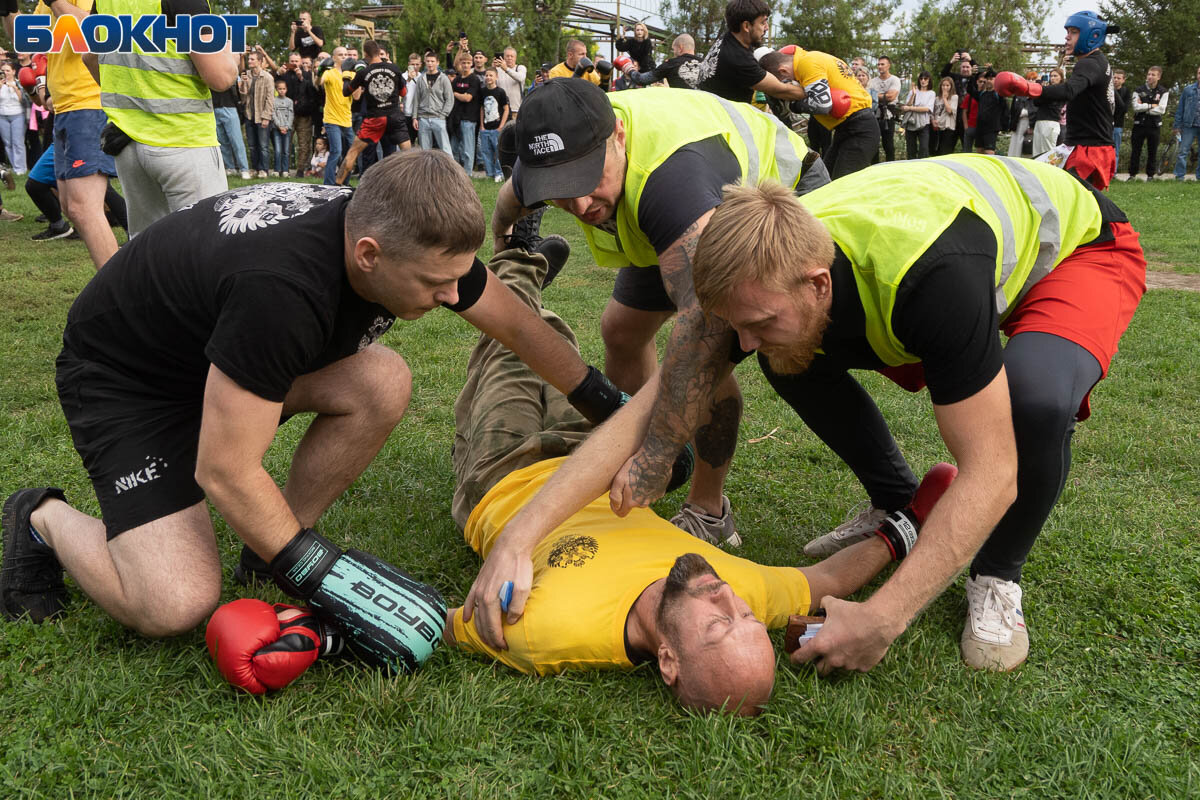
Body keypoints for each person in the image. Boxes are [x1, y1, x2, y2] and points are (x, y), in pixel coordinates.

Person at [0, 151, 616, 656]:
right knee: (174, 603)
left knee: (381, 382)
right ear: (368, 254)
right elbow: (223, 469)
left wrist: (607, 408)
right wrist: (320, 572)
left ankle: (266, 555)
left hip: (212, 355)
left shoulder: (390, 233)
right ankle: (41, 518)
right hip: (128, 381)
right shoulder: (284, 292)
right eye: (436, 285)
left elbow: (518, 325)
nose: (453, 295)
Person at [687, 155, 1145, 673]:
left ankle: (997, 575)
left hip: (1076, 249)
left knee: (1035, 398)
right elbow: (664, 397)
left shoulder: (933, 279)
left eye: (757, 320)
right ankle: (898, 503)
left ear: (817, 283)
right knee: (786, 349)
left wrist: (883, 618)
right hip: (956, 259)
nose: (742, 343)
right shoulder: (767, 263)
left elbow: (992, 473)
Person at [488, 80, 829, 571]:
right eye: (560, 193)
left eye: (588, 178)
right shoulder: (548, 157)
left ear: (618, 136)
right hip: (659, 218)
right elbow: (510, 198)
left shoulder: (671, 184)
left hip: (780, 203)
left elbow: (704, 341)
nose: (581, 205)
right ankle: (627, 437)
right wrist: (501, 236)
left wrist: (655, 454)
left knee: (706, 352)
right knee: (621, 332)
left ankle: (710, 511)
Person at [33, 0, 120, 269]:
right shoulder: (42, 5)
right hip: (64, 108)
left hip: (88, 102)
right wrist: (8, 12)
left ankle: (121, 293)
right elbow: (31, 40)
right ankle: (118, 289)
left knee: (84, 207)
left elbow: (99, 30)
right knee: (73, 208)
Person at [995, 12, 1120, 189]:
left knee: (1074, 202)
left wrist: (1029, 88)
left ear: (1092, 35)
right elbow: (1118, 104)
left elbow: (1068, 90)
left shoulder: (1089, 63)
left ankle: (1114, 218)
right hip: (1085, 146)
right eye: (1068, 31)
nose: (1067, 37)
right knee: (1038, 180)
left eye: (1074, 32)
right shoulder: (1101, 63)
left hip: (1089, 150)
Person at [758, 47, 878, 178]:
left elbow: (822, 104)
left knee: (843, 184)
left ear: (783, 70)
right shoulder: (812, 58)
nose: (790, 83)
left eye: (784, 80)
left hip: (859, 128)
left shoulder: (807, 63)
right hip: (848, 128)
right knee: (824, 180)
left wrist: (793, 104)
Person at [695, 0, 806, 106]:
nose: (767, 27)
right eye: (763, 22)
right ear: (746, 26)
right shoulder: (738, 59)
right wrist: (812, 90)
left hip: (707, 109)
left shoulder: (729, 35)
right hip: (722, 121)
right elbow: (780, 90)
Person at [334, 39, 410, 186]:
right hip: (395, 117)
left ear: (366, 54)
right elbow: (404, 92)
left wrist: (345, 74)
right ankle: (416, 189)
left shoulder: (364, 72)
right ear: (378, 52)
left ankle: (336, 187)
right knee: (409, 155)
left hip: (374, 119)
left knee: (353, 153)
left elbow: (346, 92)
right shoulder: (394, 68)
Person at [318, 46, 355, 184]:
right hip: (331, 118)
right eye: (340, 54)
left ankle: (344, 182)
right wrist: (319, 72)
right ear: (334, 58)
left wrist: (358, 82)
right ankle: (328, 184)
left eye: (346, 54)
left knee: (350, 154)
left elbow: (356, 97)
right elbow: (319, 83)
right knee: (336, 152)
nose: (344, 57)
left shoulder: (351, 75)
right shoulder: (330, 73)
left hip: (347, 119)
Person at [279, 52, 317, 178]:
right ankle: (284, 168)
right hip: (287, 114)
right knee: (286, 142)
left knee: (304, 143)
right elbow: (276, 86)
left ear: (301, 62)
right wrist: (279, 73)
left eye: (297, 61)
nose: (294, 63)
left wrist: (301, 78)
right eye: (292, 61)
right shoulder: (284, 75)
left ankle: (301, 169)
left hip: (304, 114)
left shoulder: (307, 74)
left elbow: (312, 92)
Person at [239, 50, 275, 179]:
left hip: (262, 116)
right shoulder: (246, 75)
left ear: (259, 61)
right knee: (252, 145)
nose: (249, 61)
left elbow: (270, 99)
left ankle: (263, 170)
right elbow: (243, 97)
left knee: (263, 146)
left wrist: (266, 117)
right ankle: (254, 168)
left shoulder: (267, 77)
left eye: (252, 59)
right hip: (249, 115)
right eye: (249, 59)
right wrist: (243, 83)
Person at [1128, 66, 1168, 181]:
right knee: (1135, 150)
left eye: (1153, 75)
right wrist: (1151, 105)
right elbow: (1135, 107)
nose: (1150, 77)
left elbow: (1162, 109)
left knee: (1152, 151)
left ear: (1158, 77)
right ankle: (1132, 175)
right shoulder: (1138, 90)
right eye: (1149, 74)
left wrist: (1144, 107)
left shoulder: (1163, 91)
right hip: (1139, 124)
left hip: (1154, 125)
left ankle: (1150, 175)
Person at [411, 50, 454, 156]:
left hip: (438, 117)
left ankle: (451, 171)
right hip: (423, 118)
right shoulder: (421, 79)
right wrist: (415, 117)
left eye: (432, 61)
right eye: (428, 61)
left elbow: (449, 99)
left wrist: (443, 115)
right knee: (425, 151)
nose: (430, 63)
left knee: (445, 149)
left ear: (437, 62)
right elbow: (416, 99)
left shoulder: (443, 79)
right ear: (425, 62)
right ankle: (426, 172)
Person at [621, 34, 701, 90]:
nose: (674, 53)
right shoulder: (706, 64)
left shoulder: (671, 64)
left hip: (682, 109)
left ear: (680, 48)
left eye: (674, 49)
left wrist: (628, 68)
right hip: (706, 111)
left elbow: (641, 79)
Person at [449, 53, 482, 172]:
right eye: (463, 63)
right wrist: (458, 95)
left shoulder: (474, 79)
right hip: (456, 118)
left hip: (469, 118)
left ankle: (468, 173)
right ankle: (455, 172)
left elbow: (468, 98)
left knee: (468, 150)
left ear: (471, 64)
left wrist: (455, 94)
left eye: (468, 63)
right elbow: (449, 94)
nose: (466, 65)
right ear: (460, 64)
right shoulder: (457, 79)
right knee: (454, 148)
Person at [212, 85, 251, 180]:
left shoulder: (229, 73)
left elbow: (237, 92)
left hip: (230, 107)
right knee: (222, 142)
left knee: (237, 141)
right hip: (214, 108)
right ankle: (230, 167)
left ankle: (244, 169)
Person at [478, 67, 509, 183]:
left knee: (497, 151)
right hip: (485, 127)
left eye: (491, 75)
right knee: (485, 151)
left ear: (496, 77)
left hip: (497, 128)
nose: (488, 77)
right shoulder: (482, 91)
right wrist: (481, 125)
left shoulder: (500, 92)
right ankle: (489, 173)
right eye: (486, 75)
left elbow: (506, 109)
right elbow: (481, 108)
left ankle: (499, 173)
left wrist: (501, 126)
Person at [868, 56, 901, 162]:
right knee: (874, 143)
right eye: (878, 64)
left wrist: (875, 95)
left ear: (888, 66)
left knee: (888, 144)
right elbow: (868, 96)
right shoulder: (872, 81)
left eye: (882, 64)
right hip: (874, 114)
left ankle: (890, 167)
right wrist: (883, 96)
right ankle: (874, 168)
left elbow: (891, 97)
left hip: (889, 115)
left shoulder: (894, 79)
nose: (880, 66)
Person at [1172, 65, 1200, 181]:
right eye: (1199, 73)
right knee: (1183, 151)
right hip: (1189, 125)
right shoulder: (1188, 89)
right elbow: (1180, 108)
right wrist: (1177, 126)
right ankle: (1179, 176)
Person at [966, 70, 1003, 156]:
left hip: (991, 129)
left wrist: (990, 68)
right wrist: (973, 76)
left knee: (989, 153)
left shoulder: (998, 94)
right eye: (987, 79)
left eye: (991, 79)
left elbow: (1005, 108)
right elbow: (970, 90)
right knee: (979, 152)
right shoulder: (982, 94)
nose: (988, 81)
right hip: (980, 128)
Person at [900, 71, 935, 159]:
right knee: (911, 149)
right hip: (911, 122)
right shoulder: (913, 91)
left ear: (929, 80)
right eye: (921, 79)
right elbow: (908, 104)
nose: (923, 81)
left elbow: (927, 109)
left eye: (925, 79)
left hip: (924, 123)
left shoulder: (931, 93)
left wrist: (911, 108)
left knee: (924, 148)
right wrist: (913, 94)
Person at [1031, 69, 1065, 157]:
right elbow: (1036, 102)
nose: (1052, 78)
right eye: (1051, 76)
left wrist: (1040, 85)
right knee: (1037, 152)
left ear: (1061, 78)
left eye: (1055, 76)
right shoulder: (1048, 89)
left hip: (1050, 122)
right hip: (1040, 121)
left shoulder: (1061, 90)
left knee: (1047, 153)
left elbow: (1044, 98)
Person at [0, 61, 26, 173]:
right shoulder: (1, 84)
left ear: (14, 72)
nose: (5, 73)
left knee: (18, 142)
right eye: (3, 71)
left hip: (17, 115)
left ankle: (21, 168)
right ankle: (15, 167)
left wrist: (15, 88)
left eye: (8, 70)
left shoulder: (19, 83)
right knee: (8, 143)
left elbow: (23, 100)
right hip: (2, 115)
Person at [1006, 73, 1038, 158]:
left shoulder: (1037, 95)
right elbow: (1012, 110)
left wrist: (1027, 114)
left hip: (1029, 125)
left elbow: (1037, 110)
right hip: (1017, 124)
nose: (1031, 81)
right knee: (1015, 146)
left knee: (1027, 148)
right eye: (1029, 79)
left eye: (1033, 79)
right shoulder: (1019, 94)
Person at [270, 80, 293, 178]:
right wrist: (279, 126)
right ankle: (277, 170)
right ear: (276, 90)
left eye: (283, 89)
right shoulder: (274, 101)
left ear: (286, 89)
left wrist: (287, 127)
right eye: (279, 89)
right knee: (278, 150)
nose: (282, 91)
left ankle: (285, 170)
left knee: (286, 150)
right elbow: (273, 114)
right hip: (277, 129)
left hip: (287, 129)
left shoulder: (289, 101)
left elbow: (291, 115)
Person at [933, 76, 959, 156]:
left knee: (945, 152)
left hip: (948, 127)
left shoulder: (954, 97)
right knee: (936, 152)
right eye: (943, 85)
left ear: (951, 87)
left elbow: (950, 111)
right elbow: (933, 112)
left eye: (947, 85)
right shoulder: (936, 99)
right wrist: (933, 120)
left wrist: (945, 99)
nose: (945, 87)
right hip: (938, 127)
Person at [1111, 69, 1130, 174]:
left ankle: (1113, 172)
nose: (1116, 80)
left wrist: (1115, 93)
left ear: (1123, 80)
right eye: (1114, 77)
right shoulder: (1106, 90)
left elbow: (1124, 108)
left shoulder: (1125, 92)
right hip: (1106, 123)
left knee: (1115, 150)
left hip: (1118, 124)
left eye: (1118, 78)